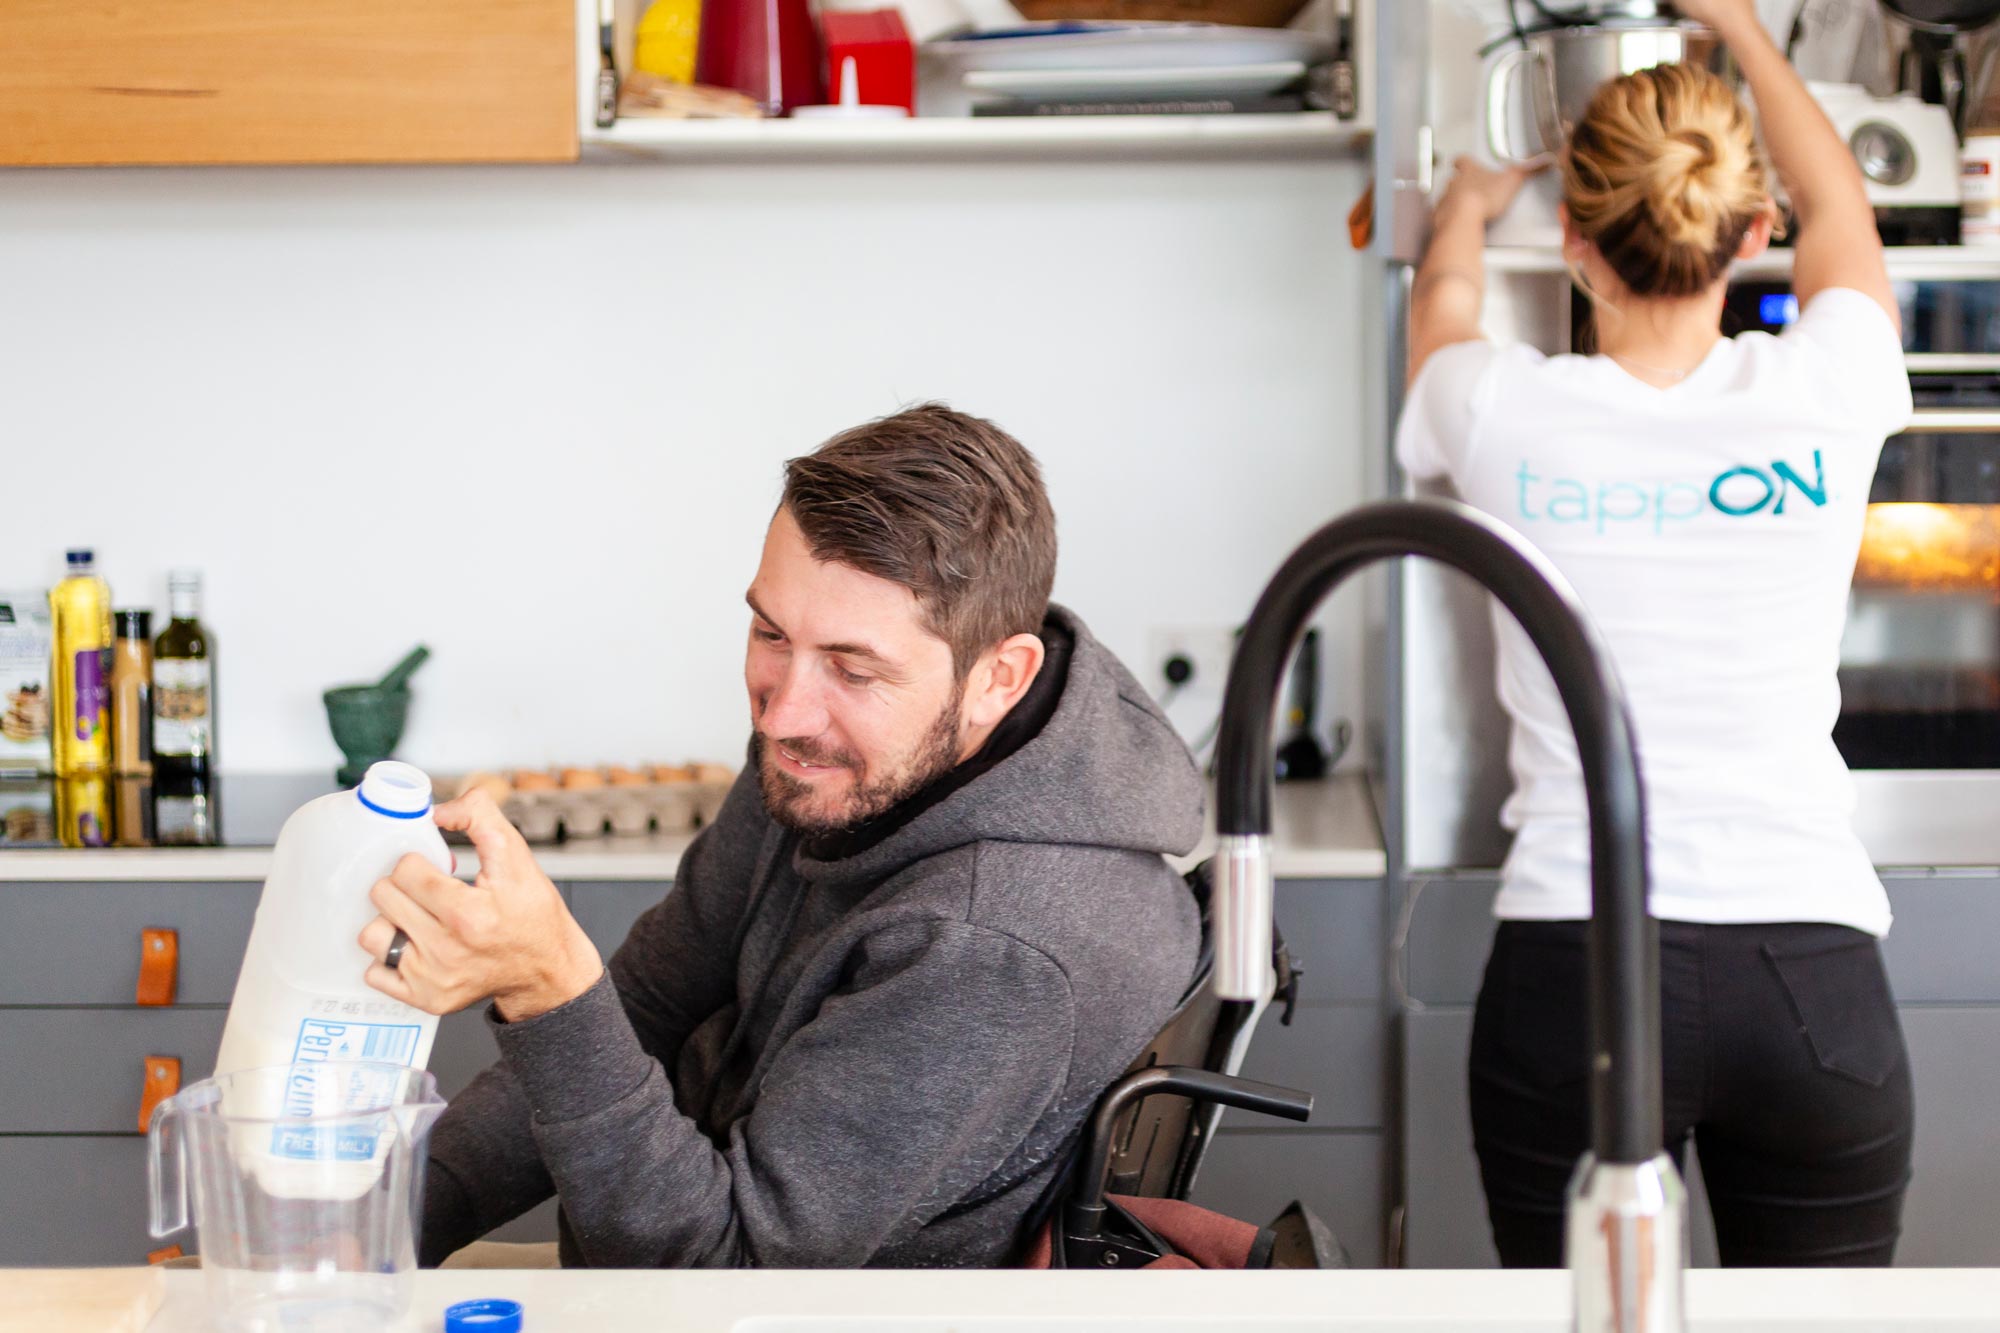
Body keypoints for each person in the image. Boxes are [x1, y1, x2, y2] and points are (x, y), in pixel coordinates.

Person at [359, 403, 1204, 1268]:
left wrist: (549, 988)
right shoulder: (829, 760)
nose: (784, 712)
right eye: (770, 632)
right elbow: (648, 1007)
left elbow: (727, 1280)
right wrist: (377, 1227)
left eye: (853, 667)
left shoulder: (995, 941)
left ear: (1000, 676)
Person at [1397, 0, 1914, 1267]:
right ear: (1748, 232)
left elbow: (1443, 299)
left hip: (1574, 970)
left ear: (1573, 238)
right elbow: (1839, 204)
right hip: (1809, 981)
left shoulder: (1499, 411)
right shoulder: (1825, 390)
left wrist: (1467, 196)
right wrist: (1733, 24)